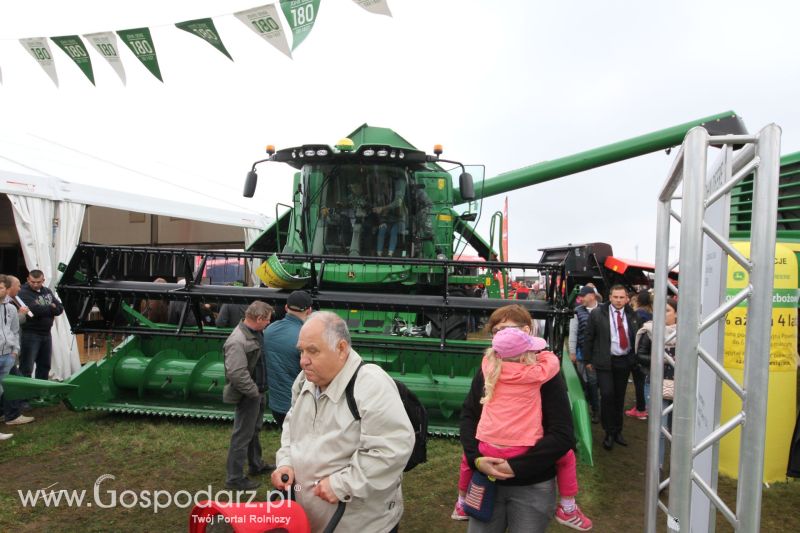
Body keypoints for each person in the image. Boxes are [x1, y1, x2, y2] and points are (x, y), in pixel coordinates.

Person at [271, 311, 413, 533]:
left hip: (359, 525)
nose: (303, 361)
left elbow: (391, 448)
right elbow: (292, 425)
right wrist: (286, 461)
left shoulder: (370, 384)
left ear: (341, 349)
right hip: (312, 520)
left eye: (313, 351)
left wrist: (341, 485)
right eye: (301, 351)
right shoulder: (304, 381)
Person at [458, 304, 579, 532]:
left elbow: (562, 434)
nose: (501, 336)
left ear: (527, 330)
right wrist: (477, 459)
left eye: (507, 329)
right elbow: (469, 417)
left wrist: (516, 466)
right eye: (496, 331)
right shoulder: (488, 369)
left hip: (532, 484)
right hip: (486, 479)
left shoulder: (545, 374)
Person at [223, 301, 275, 491]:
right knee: (242, 436)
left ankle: (256, 464)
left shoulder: (255, 333)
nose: (269, 323)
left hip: (257, 393)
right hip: (248, 395)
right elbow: (237, 374)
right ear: (259, 318)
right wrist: (254, 393)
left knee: (253, 431)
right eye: (267, 320)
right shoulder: (237, 341)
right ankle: (234, 478)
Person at [583, 284, 639, 451]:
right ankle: (608, 431)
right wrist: (587, 359)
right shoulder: (597, 313)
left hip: (624, 361)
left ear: (627, 299)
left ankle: (617, 431)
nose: (619, 300)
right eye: (616, 297)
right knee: (607, 395)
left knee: (619, 397)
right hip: (604, 361)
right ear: (610, 297)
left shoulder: (632, 314)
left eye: (622, 297)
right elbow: (589, 337)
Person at [637, 298, 678, 469]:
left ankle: (678, 469)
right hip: (656, 382)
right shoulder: (649, 330)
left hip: (680, 385)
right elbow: (640, 355)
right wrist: (663, 360)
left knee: (677, 430)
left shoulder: (687, 332)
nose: (663, 315)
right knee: (659, 429)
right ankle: (658, 467)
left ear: (676, 314)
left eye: (667, 310)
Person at [264, 290, 313, 427]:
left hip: (276, 406)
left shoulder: (269, 330)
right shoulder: (306, 337)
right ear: (309, 310)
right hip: (298, 406)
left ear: (286, 307)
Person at [18, 270, 64, 380]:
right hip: (30, 333)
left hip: (47, 334)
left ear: (43, 280)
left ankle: (40, 393)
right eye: (32, 282)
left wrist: (50, 307)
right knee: (27, 367)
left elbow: (60, 309)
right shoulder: (23, 292)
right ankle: (25, 394)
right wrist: (51, 307)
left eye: (38, 282)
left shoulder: (47, 291)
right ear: (28, 279)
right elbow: (33, 311)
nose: (35, 284)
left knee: (45, 366)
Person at [2, 275, 34, 428]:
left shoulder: (9, 306)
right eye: (18, 285)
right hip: (4, 353)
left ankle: (7, 412)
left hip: (8, 353)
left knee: (10, 383)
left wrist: (15, 350)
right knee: (15, 383)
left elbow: (13, 330)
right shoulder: (9, 306)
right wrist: (22, 314)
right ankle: (12, 414)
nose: (20, 289)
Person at [568, 286, 600, 424]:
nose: (580, 299)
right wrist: (572, 352)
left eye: (583, 296)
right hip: (583, 353)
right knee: (587, 381)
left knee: (594, 382)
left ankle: (595, 408)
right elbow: (573, 333)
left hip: (601, 353)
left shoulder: (604, 309)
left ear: (592, 296)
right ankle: (593, 409)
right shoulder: (577, 311)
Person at [625, 290, 653, 420]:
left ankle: (641, 408)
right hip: (650, 353)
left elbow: (632, 334)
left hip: (639, 353)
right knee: (646, 382)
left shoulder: (637, 315)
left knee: (639, 383)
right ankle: (645, 406)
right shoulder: (652, 314)